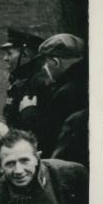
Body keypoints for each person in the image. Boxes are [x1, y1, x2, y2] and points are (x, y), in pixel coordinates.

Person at [31, 33, 88, 164]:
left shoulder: (64, 94)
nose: (44, 68)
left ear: (56, 62)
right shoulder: (90, 83)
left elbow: (47, 141)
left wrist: (29, 112)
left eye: (45, 63)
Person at [0, 27, 46, 129]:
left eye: (9, 53)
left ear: (25, 55)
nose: (5, 58)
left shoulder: (37, 82)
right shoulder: (21, 80)